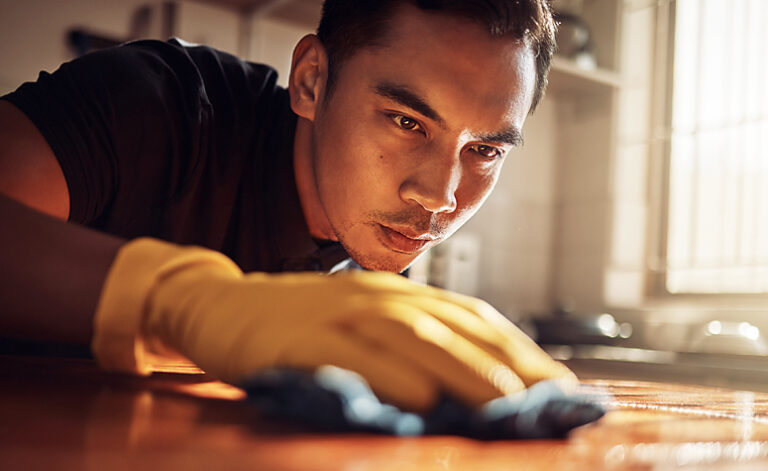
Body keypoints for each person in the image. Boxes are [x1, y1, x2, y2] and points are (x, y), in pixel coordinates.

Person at [0, 0, 574, 412]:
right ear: (311, 80)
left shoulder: (376, 250)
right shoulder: (163, 101)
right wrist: (177, 304)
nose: (439, 196)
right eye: (407, 122)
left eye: (484, 150)